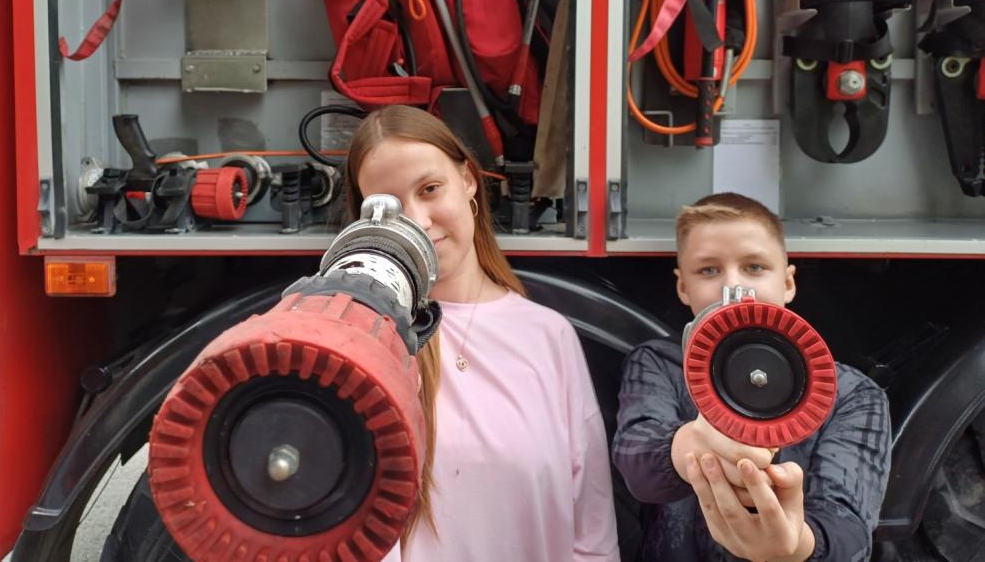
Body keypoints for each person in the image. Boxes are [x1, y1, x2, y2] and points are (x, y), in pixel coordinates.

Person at [347, 105, 619, 562]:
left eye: (430, 189)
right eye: (391, 206)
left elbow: (593, 532)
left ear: (468, 181)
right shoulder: (365, 343)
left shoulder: (548, 337)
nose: (417, 220)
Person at [611, 192, 891, 562]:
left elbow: (849, 528)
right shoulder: (658, 364)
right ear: (682, 287)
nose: (734, 288)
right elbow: (636, 461)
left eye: (754, 267)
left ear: (788, 283)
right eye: (708, 270)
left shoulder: (852, 394)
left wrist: (794, 546)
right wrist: (688, 446)